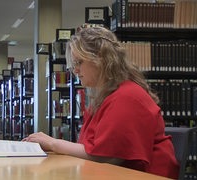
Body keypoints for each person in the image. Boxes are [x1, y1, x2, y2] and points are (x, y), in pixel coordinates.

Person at [23, 25, 179, 179]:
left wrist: (53, 143)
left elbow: (106, 157)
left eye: (79, 63)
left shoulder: (127, 97)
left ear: (101, 60)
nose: (75, 71)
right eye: (73, 65)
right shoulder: (108, 96)